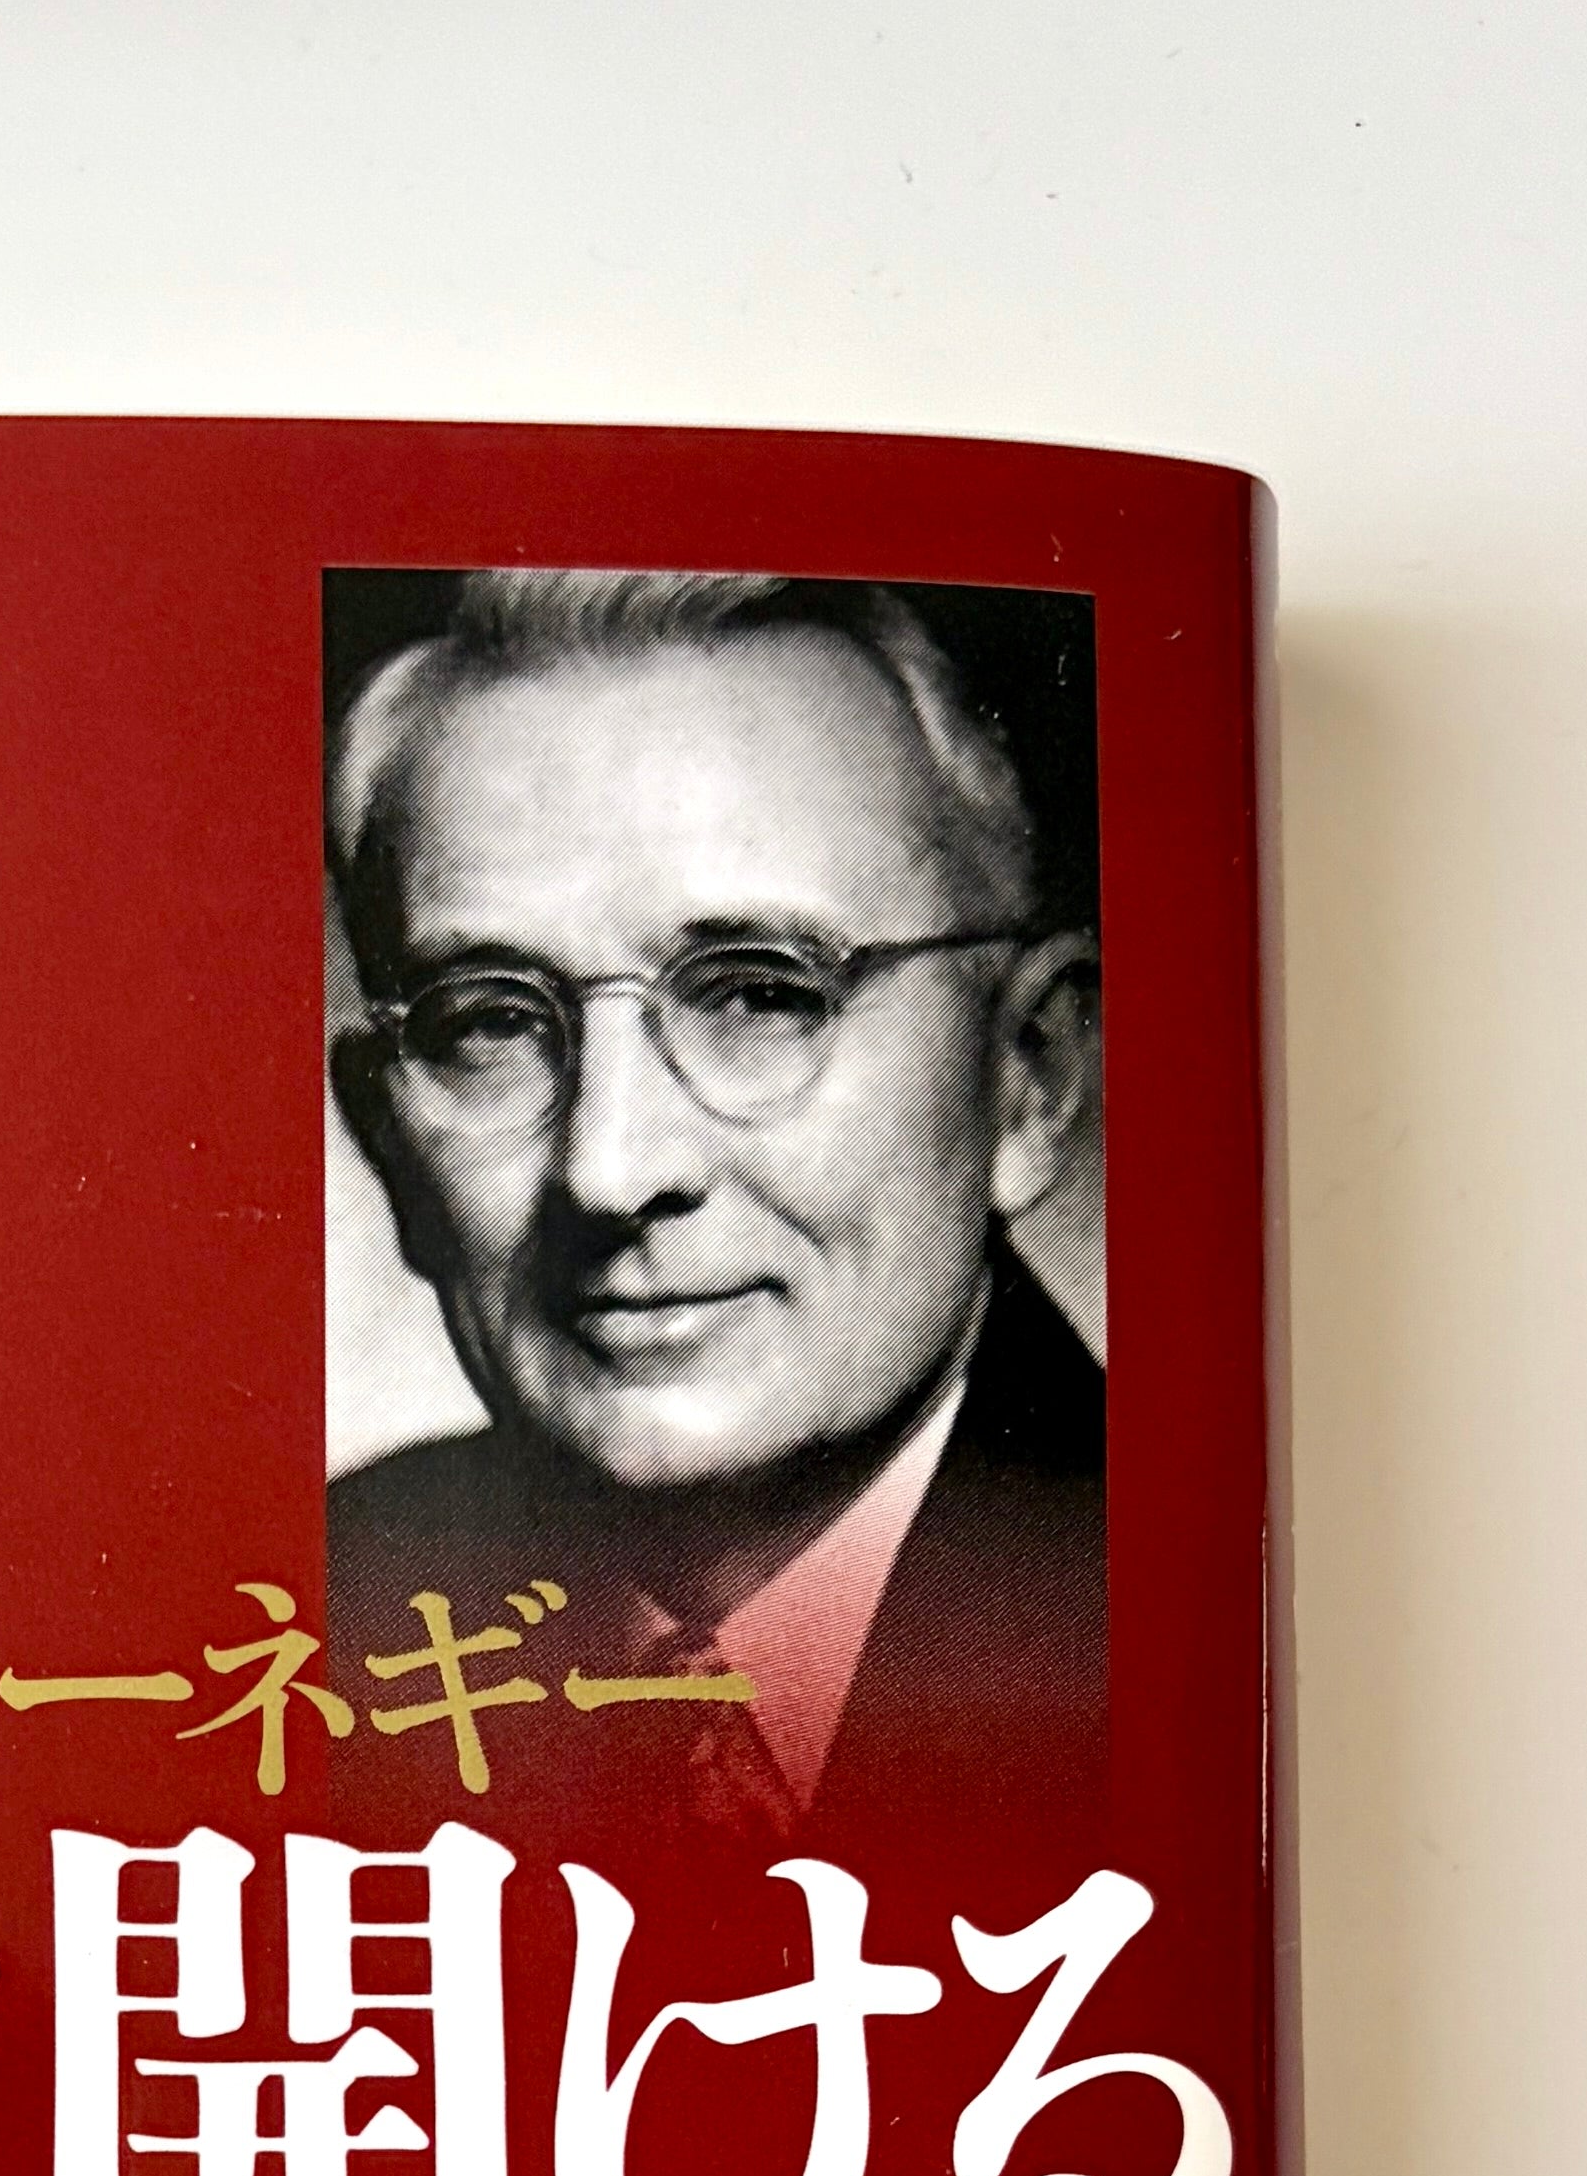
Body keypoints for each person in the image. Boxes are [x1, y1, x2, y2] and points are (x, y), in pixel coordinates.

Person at [326, 568, 1104, 1834]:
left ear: (1027, 1079)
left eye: (757, 994)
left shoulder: (1197, 1628)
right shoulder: (310, 1621)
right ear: (384, 1137)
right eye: (489, 1022)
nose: (608, 1170)